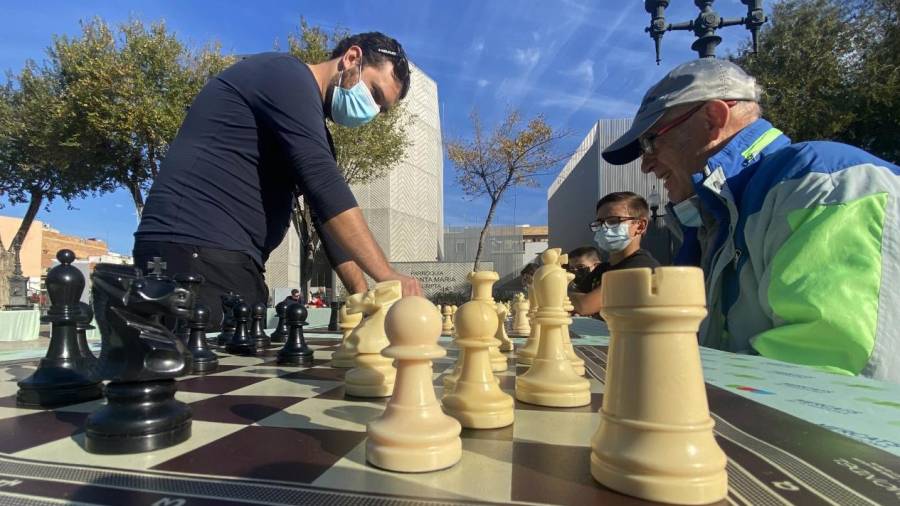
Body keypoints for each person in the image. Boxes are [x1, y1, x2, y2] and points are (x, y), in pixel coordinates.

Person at [601, 58, 900, 382]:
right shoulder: (718, 217)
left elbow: (828, 381)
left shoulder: (825, 184)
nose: (646, 164)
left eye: (651, 141)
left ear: (713, 119)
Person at [132, 32, 422, 329]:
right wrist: (387, 274)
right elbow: (324, 184)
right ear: (351, 59)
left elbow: (327, 223)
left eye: (381, 109)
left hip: (231, 260)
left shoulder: (312, 127)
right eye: (374, 93)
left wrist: (366, 298)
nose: (372, 111)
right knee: (199, 371)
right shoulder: (286, 76)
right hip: (189, 252)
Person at [570, 192, 660, 317]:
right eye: (600, 223)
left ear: (640, 226)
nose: (604, 228)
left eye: (613, 221)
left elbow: (585, 306)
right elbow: (571, 301)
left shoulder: (642, 266)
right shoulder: (601, 269)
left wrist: (572, 297)